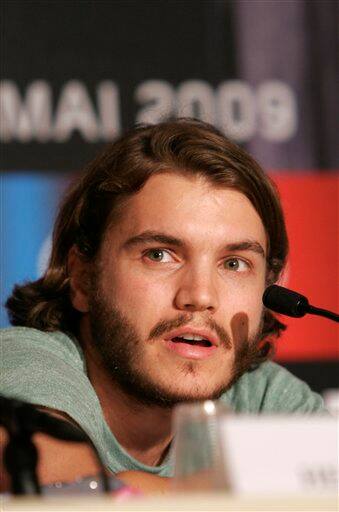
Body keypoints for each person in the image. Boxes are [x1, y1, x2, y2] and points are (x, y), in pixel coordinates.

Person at [1, 119, 325, 489]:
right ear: (83, 278)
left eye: (234, 264)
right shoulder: (24, 362)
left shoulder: (262, 398)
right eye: (159, 255)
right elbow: (60, 485)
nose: (200, 296)